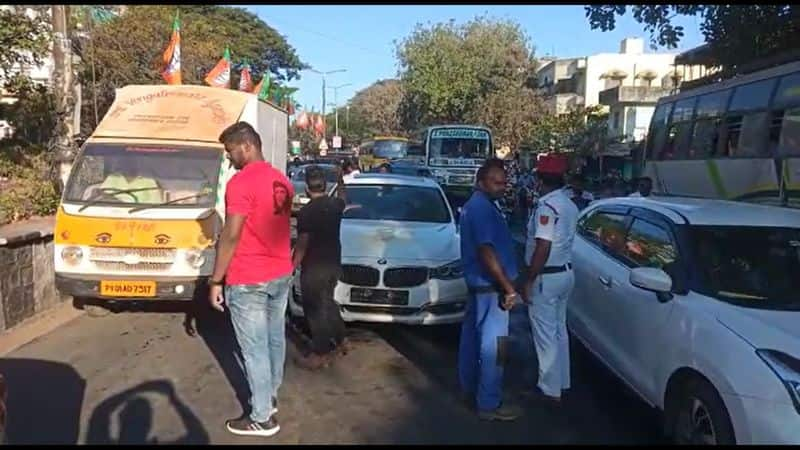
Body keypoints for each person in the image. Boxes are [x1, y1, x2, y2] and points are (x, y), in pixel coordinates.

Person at [207, 121, 294, 437]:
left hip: (250, 278)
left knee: (255, 349)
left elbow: (232, 234)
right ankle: (268, 399)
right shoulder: (281, 180)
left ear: (246, 146)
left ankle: (262, 418)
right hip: (280, 272)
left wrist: (216, 280)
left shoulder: (241, 183)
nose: (229, 159)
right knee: (274, 340)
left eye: (230, 151)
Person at [458, 158, 523, 422]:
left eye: (504, 182)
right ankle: (489, 404)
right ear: (481, 182)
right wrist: (508, 288)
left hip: (479, 288)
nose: (502, 187)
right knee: (494, 349)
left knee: (472, 343)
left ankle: (471, 390)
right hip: (491, 289)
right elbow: (486, 251)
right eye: (496, 182)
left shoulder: (477, 206)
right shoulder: (482, 209)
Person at [521, 154, 579, 406]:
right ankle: (562, 382)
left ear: (540, 178)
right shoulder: (569, 204)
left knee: (545, 335)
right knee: (558, 332)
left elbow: (542, 246)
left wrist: (528, 279)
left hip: (547, 277)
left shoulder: (547, 206)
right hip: (565, 274)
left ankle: (549, 390)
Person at [291, 165, 350, 369]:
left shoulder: (306, 213)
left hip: (314, 267)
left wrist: (292, 266)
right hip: (333, 263)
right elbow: (343, 197)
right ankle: (342, 339)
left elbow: (302, 244)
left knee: (314, 309)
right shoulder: (335, 206)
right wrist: (341, 179)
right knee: (327, 302)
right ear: (325, 185)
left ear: (307, 189)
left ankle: (321, 352)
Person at [98, 158, 163, 203]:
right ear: (121, 164)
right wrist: (119, 203)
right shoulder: (113, 177)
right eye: (126, 162)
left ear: (138, 165)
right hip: (113, 213)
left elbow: (154, 203)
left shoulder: (148, 180)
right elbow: (102, 195)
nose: (129, 165)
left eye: (132, 163)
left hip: (140, 215)